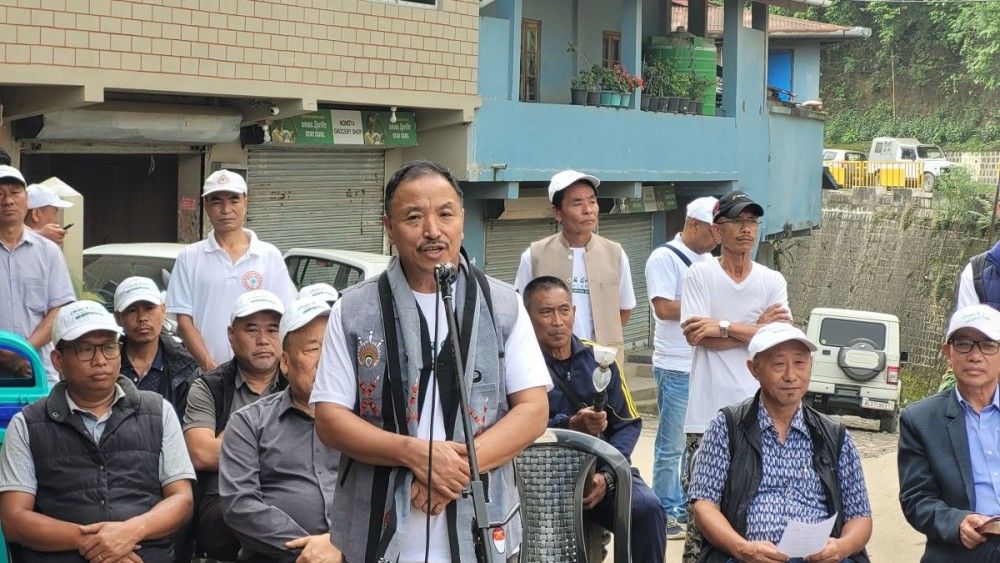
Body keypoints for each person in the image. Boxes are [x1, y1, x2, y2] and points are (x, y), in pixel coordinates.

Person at [312, 160, 551, 563]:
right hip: (376, 521)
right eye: (413, 217)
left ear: (461, 219)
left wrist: (449, 475)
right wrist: (416, 455)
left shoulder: (503, 305)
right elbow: (330, 419)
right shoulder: (354, 309)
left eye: (445, 214)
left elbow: (533, 411)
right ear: (389, 227)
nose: (432, 231)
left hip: (479, 519)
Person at [0, 300, 195, 562]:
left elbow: (182, 500)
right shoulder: (28, 423)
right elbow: (14, 520)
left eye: (108, 347)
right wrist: (99, 543)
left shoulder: (159, 411)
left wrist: (130, 532)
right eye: (85, 349)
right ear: (58, 360)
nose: (100, 360)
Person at [688, 323, 873, 563]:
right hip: (747, 558)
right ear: (754, 369)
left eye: (800, 363)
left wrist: (841, 547)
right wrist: (742, 548)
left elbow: (860, 516)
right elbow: (704, 505)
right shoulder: (728, 426)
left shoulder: (834, 436)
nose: (790, 375)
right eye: (778, 364)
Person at [679, 191, 791, 563]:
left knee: (756, 514)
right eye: (738, 221)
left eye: (753, 222)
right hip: (706, 416)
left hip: (760, 416)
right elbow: (700, 337)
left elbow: (775, 344)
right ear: (717, 229)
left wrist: (724, 325)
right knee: (703, 517)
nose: (747, 230)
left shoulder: (771, 280)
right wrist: (755, 329)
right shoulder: (699, 274)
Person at [524, 275, 666, 563]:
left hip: (599, 475)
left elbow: (627, 424)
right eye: (545, 312)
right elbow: (516, 425)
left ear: (574, 313)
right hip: (539, 480)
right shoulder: (520, 363)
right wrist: (569, 427)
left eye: (564, 310)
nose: (557, 321)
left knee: (648, 509)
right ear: (527, 318)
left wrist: (609, 476)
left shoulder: (600, 360)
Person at [220, 297, 343, 563]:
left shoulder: (368, 421)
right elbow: (240, 506)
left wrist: (343, 547)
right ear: (285, 363)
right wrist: (314, 554)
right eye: (313, 349)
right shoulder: (249, 422)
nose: (326, 360)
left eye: (334, 347)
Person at [183, 289, 286, 561]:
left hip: (286, 492)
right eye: (251, 330)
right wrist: (281, 449)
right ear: (231, 335)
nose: (263, 340)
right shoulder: (210, 386)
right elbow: (201, 454)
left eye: (272, 330)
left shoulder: (299, 384)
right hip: (223, 503)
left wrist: (234, 446)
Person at [899, 304, 1000, 561]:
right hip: (964, 548)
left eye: (988, 344)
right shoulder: (920, 419)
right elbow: (917, 498)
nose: (975, 355)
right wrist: (958, 522)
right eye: (964, 344)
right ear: (948, 351)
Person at [167, 169, 295, 372]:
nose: (226, 209)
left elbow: (284, 319)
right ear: (206, 206)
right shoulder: (189, 257)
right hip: (206, 375)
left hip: (261, 376)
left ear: (246, 202)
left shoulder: (269, 256)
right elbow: (184, 321)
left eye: (234, 200)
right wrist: (210, 367)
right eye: (216, 201)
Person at [645, 196, 719, 539]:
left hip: (702, 363)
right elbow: (663, 308)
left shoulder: (708, 260)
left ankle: (689, 505)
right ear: (693, 225)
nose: (718, 237)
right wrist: (708, 310)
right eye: (713, 230)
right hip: (675, 364)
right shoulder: (665, 258)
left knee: (699, 442)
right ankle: (666, 508)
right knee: (671, 443)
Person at [513, 169, 636, 365]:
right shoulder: (534, 256)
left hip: (602, 363)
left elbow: (624, 310)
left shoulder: (615, 254)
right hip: (548, 364)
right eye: (577, 203)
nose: (588, 209)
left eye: (592, 201)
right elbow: (519, 311)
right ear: (557, 212)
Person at [0, 165, 76, 386]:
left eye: (15, 192)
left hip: (38, 374)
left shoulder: (49, 252)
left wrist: (22, 352)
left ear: (26, 201)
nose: (8, 200)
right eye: (0, 193)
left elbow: (59, 310)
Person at [114, 276, 200, 419]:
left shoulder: (187, 367)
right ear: (118, 317)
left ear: (163, 311)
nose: (142, 317)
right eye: (131, 310)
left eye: (149, 308)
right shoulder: (105, 365)